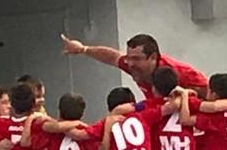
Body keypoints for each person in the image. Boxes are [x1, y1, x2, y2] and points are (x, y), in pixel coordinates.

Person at [61, 33, 209, 100]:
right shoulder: (132, 66)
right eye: (129, 58)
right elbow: (112, 56)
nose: (130, 64)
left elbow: (214, 94)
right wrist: (83, 49)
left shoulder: (181, 72)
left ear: (153, 58)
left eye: (136, 59)